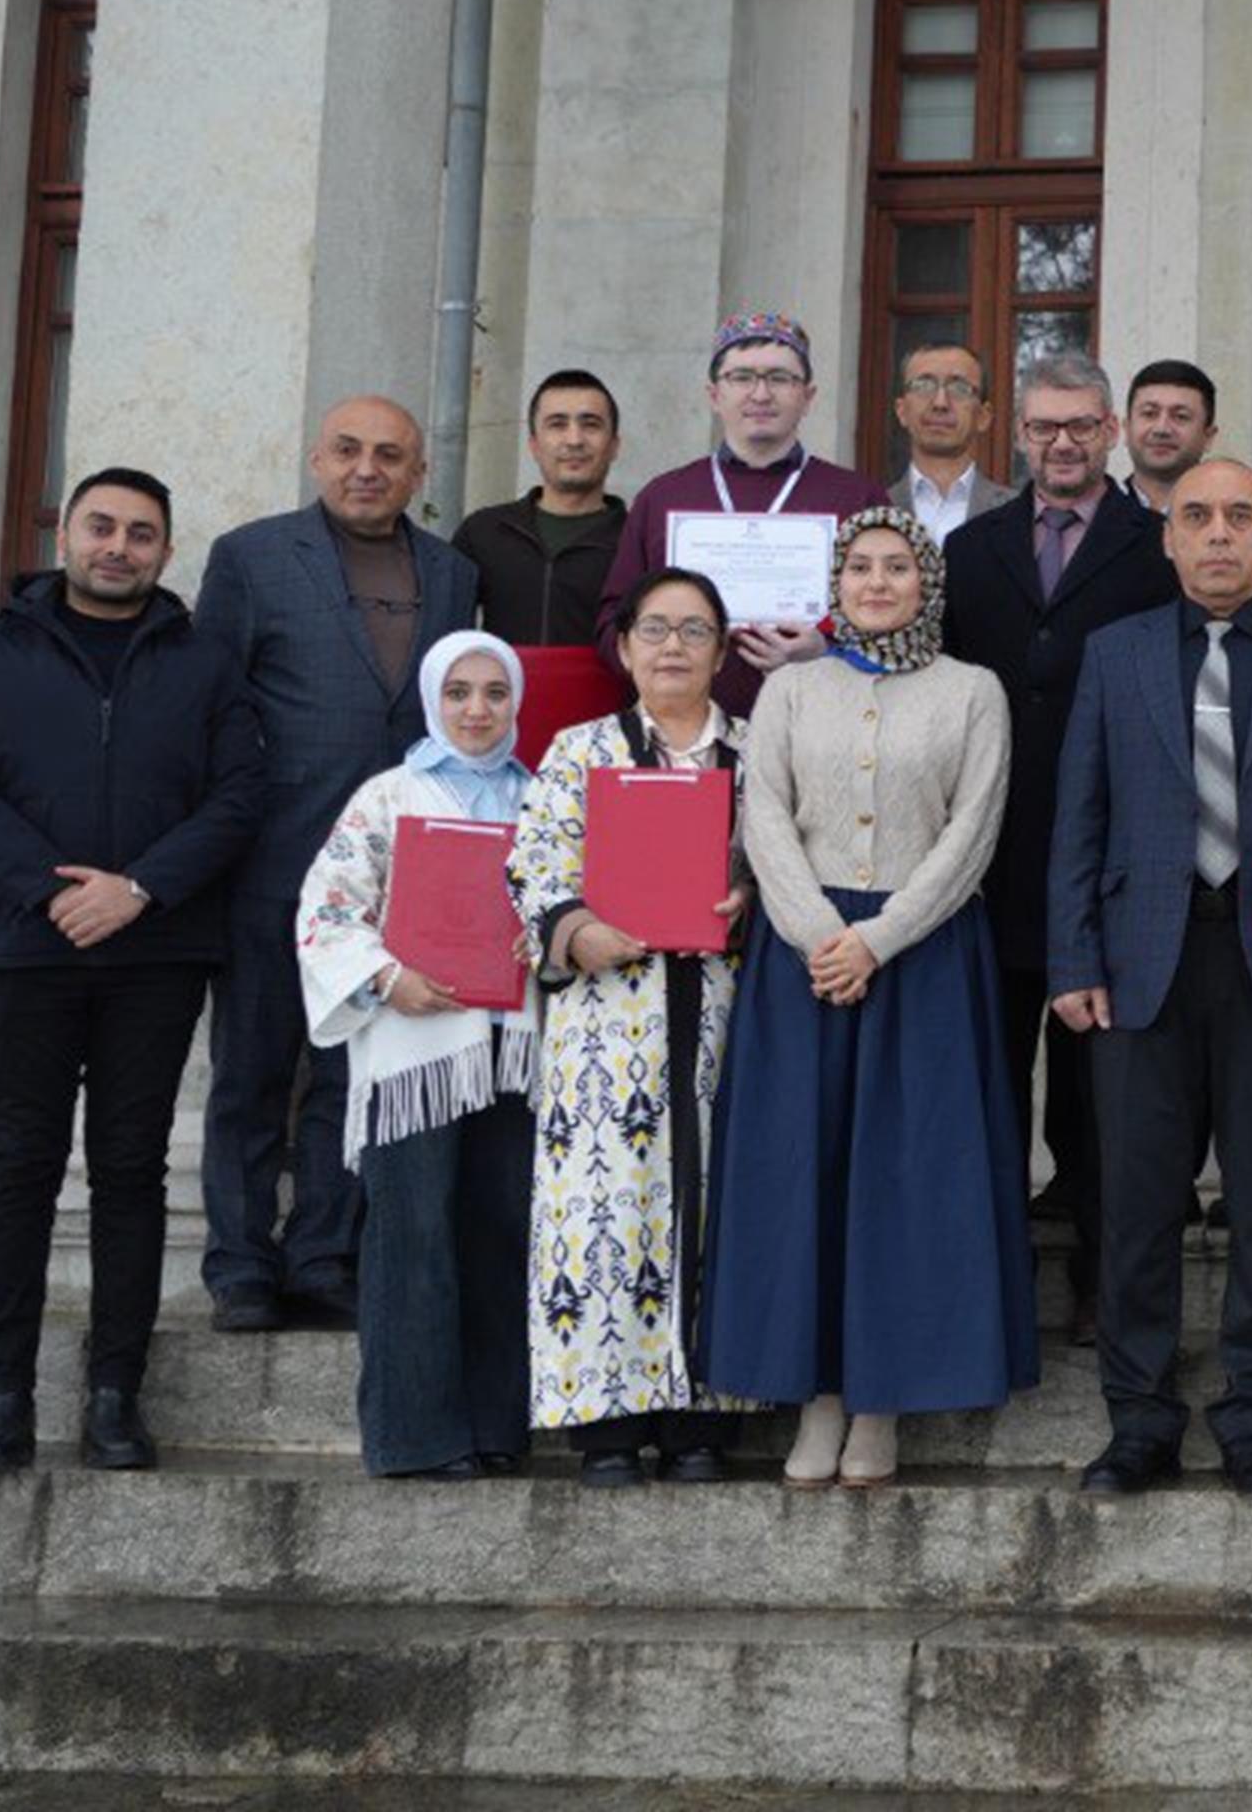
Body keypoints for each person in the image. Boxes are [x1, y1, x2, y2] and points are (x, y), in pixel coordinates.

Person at [1049, 458, 1252, 1499]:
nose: (1219, 535)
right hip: (1138, 964)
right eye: (1196, 516)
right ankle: (1139, 1419)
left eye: (1242, 516)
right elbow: (1080, 813)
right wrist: (1074, 957)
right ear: (1168, 537)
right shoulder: (1116, 651)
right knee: (1138, 1206)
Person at [0, 466, 263, 1474]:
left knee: (130, 1171)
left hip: (156, 951)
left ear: (165, 551)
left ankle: (116, 1395)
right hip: (21, 949)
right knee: (20, 1168)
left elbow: (239, 795)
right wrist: (50, 889)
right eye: (101, 526)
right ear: (65, 534)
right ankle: (4, 1399)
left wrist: (140, 889)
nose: (118, 547)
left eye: (140, 533)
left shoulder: (203, 664)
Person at [708, 506, 1030, 1487]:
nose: (878, 583)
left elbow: (973, 832)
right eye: (860, 568)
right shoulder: (790, 689)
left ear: (927, 583)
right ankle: (816, 1399)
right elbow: (764, 815)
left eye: (897, 567)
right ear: (835, 586)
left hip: (922, 955)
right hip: (802, 957)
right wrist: (820, 935)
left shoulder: (973, 691)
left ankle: (880, 1404)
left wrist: (879, 940)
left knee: (904, 1180)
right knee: (805, 1173)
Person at [196, 396, 476, 1333]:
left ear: (418, 475)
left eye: (390, 456)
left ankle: (321, 1256)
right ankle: (240, 1266)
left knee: (350, 1071)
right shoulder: (251, 559)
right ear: (317, 460)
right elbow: (210, 708)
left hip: (394, 877)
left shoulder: (452, 573)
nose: (368, 469)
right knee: (252, 1072)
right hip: (271, 859)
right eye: (349, 450)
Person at [511, 566, 759, 1487]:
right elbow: (534, 864)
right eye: (655, 629)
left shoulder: (755, 753)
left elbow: (787, 858)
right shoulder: (581, 751)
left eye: (695, 631)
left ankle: (703, 1421)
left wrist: (751, 896)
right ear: (623, 647)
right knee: (603, 1212)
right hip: (607, 1024)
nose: (673, 648)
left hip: (725, 1016)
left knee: (716, 1204)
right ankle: (608, 1425)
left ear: (723, 652)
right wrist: (576, 929)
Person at [943, 354, 1175, 1317]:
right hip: (989, 854)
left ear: (1112, 431)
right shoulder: (969, 550)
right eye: (1044, 427)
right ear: (1019, 433)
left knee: (1097, 1100)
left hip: (1109, 859)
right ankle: (992, 1292)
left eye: (1082, 425)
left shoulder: (1156, 547)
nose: (1063, 444)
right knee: (988, 1082)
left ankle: (1096, 1293)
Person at [294, 632, 542, 1480]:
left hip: (514, 1052)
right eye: (459, 693)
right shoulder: (388, 796)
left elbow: (569, 904)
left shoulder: (541, 798)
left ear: (515, 703)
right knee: (413, 1235)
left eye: (495, 693)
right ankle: (415, 1438)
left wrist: (548, 939)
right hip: (415, 1054)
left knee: (502, 1231)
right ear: (434, 701)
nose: (477, 710)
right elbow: (325, 910)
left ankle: (497, 1426)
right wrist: (386, 978)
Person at [592, 311, 890, 718]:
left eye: (780, 378)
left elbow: (898, 625)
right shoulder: (663, 498)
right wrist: (668, 653)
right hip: (685, 730)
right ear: (714, 394)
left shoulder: (858, 498)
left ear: (808, 397)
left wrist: (828, 653)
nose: (761, 394)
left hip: (823, 728)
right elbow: (612, 625)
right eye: (742, 377)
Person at [456, 370, 629, 647]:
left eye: (591, 425)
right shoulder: (483, 533)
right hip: (507, 678)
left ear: (614, 446)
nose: (574, 440)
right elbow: (447, 636)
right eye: (557, 424)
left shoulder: (636, 541)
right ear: (534, 445)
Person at [890, 343, 1016, 543]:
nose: (940, 403)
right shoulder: (871, 507)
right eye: (924, 386)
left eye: (959, 389)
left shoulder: (1018, 514)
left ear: (983, 416)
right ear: (901, 411)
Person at [1121, 358, 1220, 515]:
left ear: (1208, 437)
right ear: (1126, 429)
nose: (1162, 429)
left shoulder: (1227, 518)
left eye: (1180, 416)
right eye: (1149, 414)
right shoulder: (1094, 515)